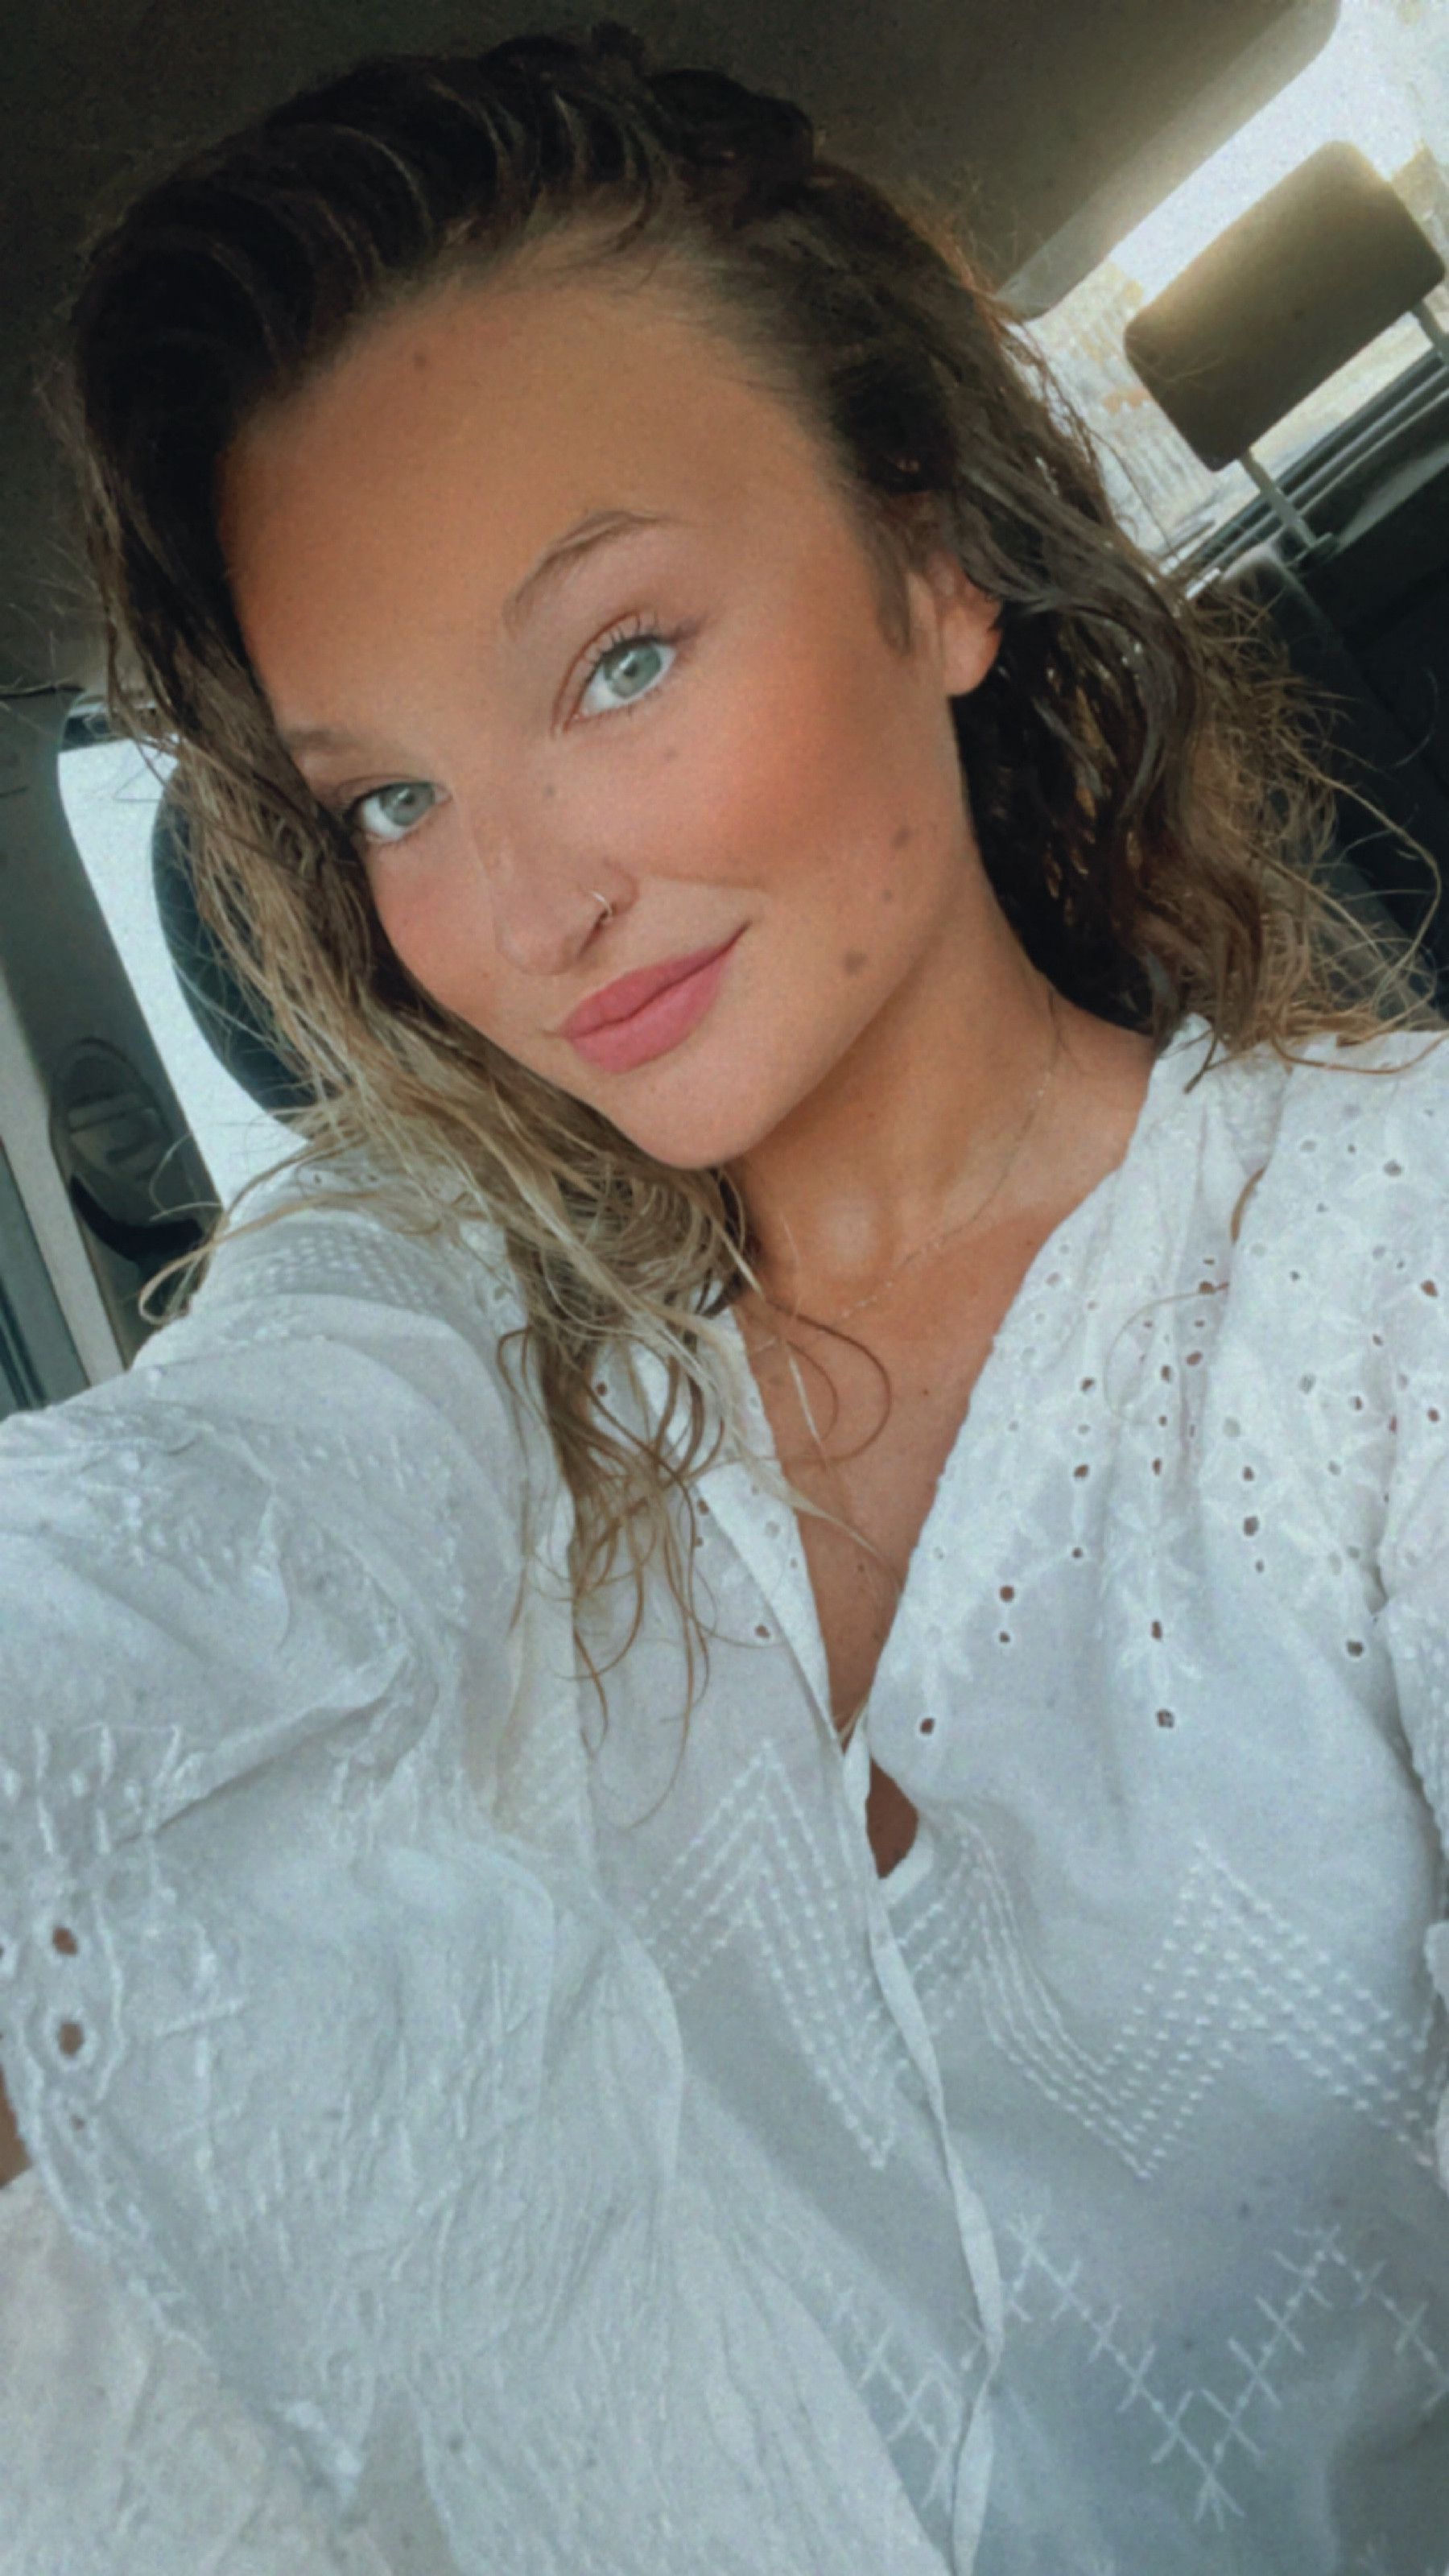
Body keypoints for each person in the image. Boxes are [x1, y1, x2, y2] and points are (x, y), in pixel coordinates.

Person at [1, 23, 1447, 2574]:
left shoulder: (1388, 1257)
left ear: (935, 565)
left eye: (619, 662)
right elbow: (155, 1569)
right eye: (394, 799)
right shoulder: (438, 1298)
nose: (526, 912)